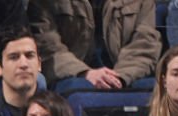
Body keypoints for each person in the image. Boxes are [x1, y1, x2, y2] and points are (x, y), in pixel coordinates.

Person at [28, 0, 160, 92]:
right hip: (73, 75)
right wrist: (85, 73)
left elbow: (145, 45)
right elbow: (47, 46)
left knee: (150, 88)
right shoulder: (45, 2)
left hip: (125, 74)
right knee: (75, 88)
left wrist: (120, 77)